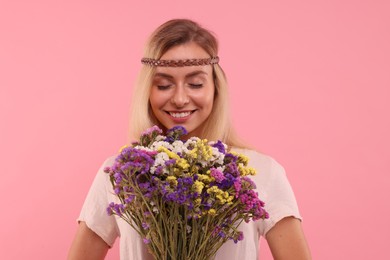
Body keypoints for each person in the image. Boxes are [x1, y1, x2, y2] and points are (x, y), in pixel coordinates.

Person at [68, 19, 311, 260]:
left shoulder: (262, 171)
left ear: (215, 88)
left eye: (195, 83)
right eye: (163, 85)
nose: (180, 99)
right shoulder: (122, 174)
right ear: (147, 91)